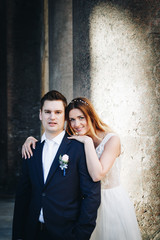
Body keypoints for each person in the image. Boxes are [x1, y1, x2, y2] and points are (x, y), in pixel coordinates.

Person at [22, 97, 142, 240]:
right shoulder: (76, 139)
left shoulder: (111, 140)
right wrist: (32, 139)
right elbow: (53, 143)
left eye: (81, 118)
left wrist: (88, 142)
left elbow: (98, 175)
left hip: (110, 202)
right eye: (72, 119)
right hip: (85, 205)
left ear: (90, 116)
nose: (76, 124)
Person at [12, 91, 101, 240]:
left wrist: (81, 235)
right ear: (41, 114)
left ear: (64, 116)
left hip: (66, 233)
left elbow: (91, 195)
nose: (52, 117)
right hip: (32, 232)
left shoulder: (79, 149)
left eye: (58, 112)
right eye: (47, 112)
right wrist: (18, 235)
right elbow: (23, 195)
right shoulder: (31, 149)